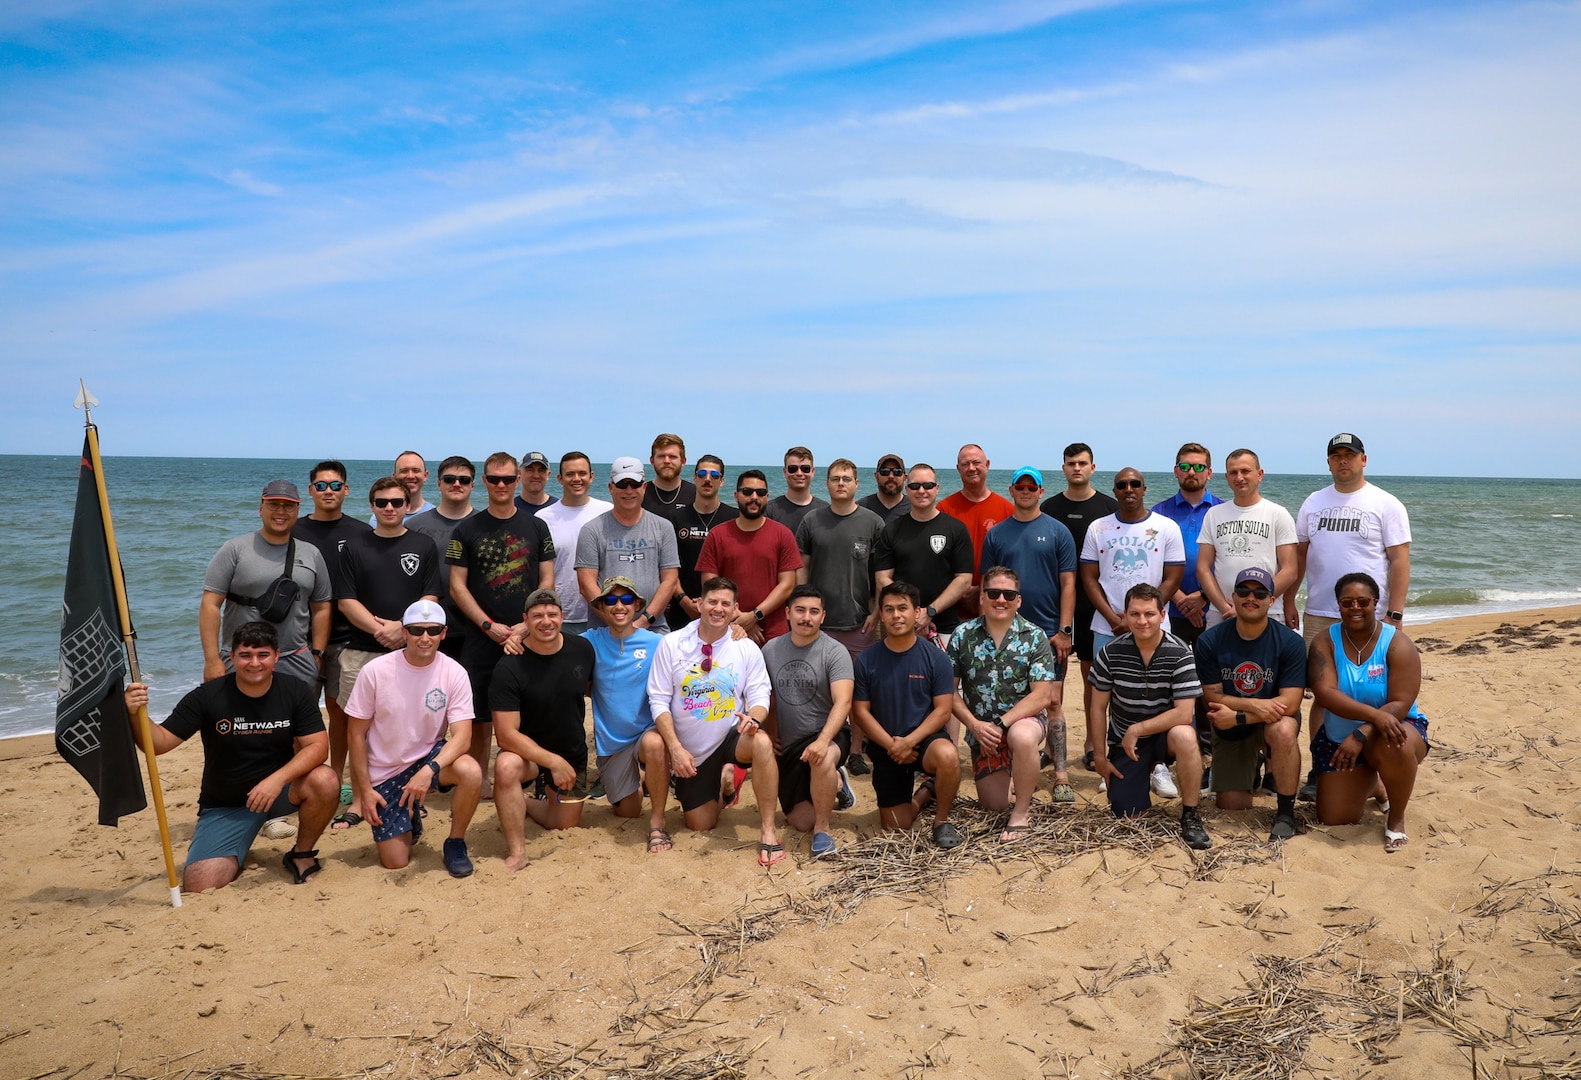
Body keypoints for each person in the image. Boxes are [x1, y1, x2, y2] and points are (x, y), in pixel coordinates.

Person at [121, 622, 339, 892]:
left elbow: (318, 747)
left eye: (263, 655)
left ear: (276, 656)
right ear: (232, 657)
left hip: (279, 792)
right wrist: (134, 714)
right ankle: (237, 842)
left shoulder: (294, 691)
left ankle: (301, 854)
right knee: (200, 884)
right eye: (245, 655)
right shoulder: (208, 696)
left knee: (326, 780)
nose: (254, 663)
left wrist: (276, 780)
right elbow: (159, 743)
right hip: (228, 804)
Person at [1296, 433, 1413, 799]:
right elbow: (1299, 557)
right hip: (1319, 613)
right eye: (1336, 456)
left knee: (1373, 694)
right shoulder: (1313, 503)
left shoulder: (1385, 503)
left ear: (1364, 460)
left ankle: (1372, 763)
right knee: (1321, 695)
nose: (1343, 461)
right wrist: (1288, 602)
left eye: (1350, 455)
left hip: (1370, 618)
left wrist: (1394, 613)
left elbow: (1399, 559)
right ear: (1329, 462)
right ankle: (1320, 768)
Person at [646, 577, 784, 866]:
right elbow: (658, 699)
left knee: (760, 742)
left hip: (732, 735)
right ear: (699, 603)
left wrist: (755, 719)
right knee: (700, 823)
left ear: (735, 609)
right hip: (694, 750)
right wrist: (675, 747)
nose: (718, 609)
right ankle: (726, 783)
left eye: (725, 604)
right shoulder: (672, 644)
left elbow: (760, 693)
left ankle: (768, 831)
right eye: (712, 602)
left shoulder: (745, 648)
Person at [332, 475, 443, 827]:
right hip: (360, 652)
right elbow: (346, 601)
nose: (390, 508)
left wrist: (403, 629)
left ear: (408, 506)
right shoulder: (354, 546)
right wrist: (382, 630)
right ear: (372, 506)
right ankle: (362, 794)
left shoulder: (424, 546)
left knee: (412, 727)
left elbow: (431, 596)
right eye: (382, 503)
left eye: (397, 502)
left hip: (413, 651)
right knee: (359, 730)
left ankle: (409, 793)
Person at [344, 600, 482, 877]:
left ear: (444, 633)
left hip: (428, 757)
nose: (425, 637)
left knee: (471, 770)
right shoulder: (375, 671)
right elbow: (355, 734)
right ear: (404, 633)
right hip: (385, 771)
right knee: (396, 862)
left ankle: (455, 842)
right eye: (417, 630)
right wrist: (364, 792)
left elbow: (463, 737)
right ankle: (411, 814)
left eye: (433, 631)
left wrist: (429, 770)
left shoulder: (454, 672)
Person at [446, 452, 556, 787]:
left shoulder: (536, 526)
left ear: (518, 480)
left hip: (527, 635)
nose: (501, 485)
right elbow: (456, 586)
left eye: (508, 479)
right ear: (484, 481)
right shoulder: (466, 529)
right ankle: (478, 782)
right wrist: (488, 626)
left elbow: (547, 580)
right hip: (481, 636)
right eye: (494, 479)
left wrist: (526, 626)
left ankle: (528, 777)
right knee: (478, 718)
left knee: (529, 711)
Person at [1081, 467, 1186, 799]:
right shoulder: (1098, 527)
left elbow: (1173, 576)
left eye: (1135, 484)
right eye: (1122, 485)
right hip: (1106, 627)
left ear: (1144, 488)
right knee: (1106, 698)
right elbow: (1089, 577)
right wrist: (1115, 618)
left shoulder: (1166, 527)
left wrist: (1146, 618)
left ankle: (1159, 766)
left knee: (1158, 697)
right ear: (1114, 490)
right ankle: (1111, 758)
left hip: (1153, 629)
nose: (1129, 489)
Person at [1307, 572, 1430, 852]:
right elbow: (1325, 694)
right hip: (1342, 740)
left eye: (1363, 601)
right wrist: (1374, 717)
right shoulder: (1324, 642)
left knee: (1393, 743)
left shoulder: (1397, 643)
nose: (1355, 608)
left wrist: (1364, 731)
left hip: (1398, 729)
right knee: (1334, 818)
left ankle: (1396, 819)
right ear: (1337, 605)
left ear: (1376, 602)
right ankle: (1375, 785)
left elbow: (1401, 701)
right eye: (1347, 602)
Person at [1087, 584, 1211, 850]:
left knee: (1186, 734)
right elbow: (1097, 708)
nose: (1142, 621)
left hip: (1165, 736)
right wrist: (1099, 756)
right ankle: (1140, 783)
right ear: (1125, 615)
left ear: (1162, 615)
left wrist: (1138, 729)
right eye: (1134, 614)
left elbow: (1184, 712)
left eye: (1149, 614)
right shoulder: (1110, 653)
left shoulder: (1179, 652)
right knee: (1126, 814)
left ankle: (1190, 814)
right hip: (1125, 743)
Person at [979, 467, 1078, 801]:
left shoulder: (1058, 531)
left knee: (1052, 701)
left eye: (1031, 486)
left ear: (1040, 490)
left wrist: (1065, 630)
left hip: (1049, 633)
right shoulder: (997, 534)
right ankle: (1015, 763)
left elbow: (1068, 583)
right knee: (1009, 700)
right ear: (1011, 490)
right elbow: (988, 585)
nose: (1025, 491)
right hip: (1005, 632)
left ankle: (1061, 774)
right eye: (1019, 486)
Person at [1193, 568, 1306, 840]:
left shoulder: (1290, 641)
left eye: (1259, 593)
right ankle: (1254, 768)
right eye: (1243, 591)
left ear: (1271, 599)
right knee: (1232, 805)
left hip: (1266, 719)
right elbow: (1212, 696)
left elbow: (1290, 703)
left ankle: (1286, 812)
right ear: (1233, 597)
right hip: (1231, 724)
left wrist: (1241, 716)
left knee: (1282, 730)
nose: (1250, 598)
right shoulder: (1210, 640)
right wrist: (1256, 707)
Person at [947, 568, 1058, 842]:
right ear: (981, 597)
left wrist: (1001, 724)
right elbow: (947, 691)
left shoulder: (1035, 636)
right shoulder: (962, 636)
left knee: (1021, 737)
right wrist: (974, 725)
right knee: (994, 805)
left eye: (1009, 594)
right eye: (993, 593)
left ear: (1018, 600)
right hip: (983, 733)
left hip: (1023, 723)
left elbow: (1043, 695)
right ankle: (1012, 773)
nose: (1001, 599)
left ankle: (1021, 814)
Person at [852, 582, 963, 849]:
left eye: (903, 608)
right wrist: (893, 745)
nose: (896, 615)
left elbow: (943, 711)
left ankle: (941, 820)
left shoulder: (936, 658)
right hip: (886, 746)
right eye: (888, 609)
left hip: (924, 740)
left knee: (948, 756)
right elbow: (860, 712)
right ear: (881, 614)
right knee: (895, 826)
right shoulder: (867, 660)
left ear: (917, 612)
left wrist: (909, 741)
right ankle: (926, 793)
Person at [491, 590, 596, 870]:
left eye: (552, 614)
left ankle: (522, 803)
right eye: (537, 616)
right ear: (525, 620)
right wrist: (551, 761)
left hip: (570, 749)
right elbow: (505, 735)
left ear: (562, 617)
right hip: (529, 756)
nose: (546, 621)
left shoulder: (583, 649)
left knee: (562, 824)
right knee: (505, 766)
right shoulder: (509, 665)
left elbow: (592, 689)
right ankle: (518, 852)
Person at [292, 461, 371, 822]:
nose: (328, 491)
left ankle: (337, 778)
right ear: (310, 491)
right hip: (296, 639)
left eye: (335, 485)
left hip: (346, 640)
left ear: (346, 490)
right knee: (297, 717)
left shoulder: (359, 531)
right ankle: (301, 780)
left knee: (341, 714)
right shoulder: (292, 529)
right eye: (321, 486)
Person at [202, 479, 332, 688]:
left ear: (297, 510)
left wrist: (316, 655)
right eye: (273, 504)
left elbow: (322, 608)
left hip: (295, 658)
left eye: (288, 505)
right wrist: (212, 660)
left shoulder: (312, 554)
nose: (281, 511)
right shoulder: (234, 549)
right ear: (260, 508)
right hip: (242, 658)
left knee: (296, 720)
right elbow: (210, 604)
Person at [1040, 442, 1119, 771]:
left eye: (1082, 463)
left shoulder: (1108, 507)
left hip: (1093, 605)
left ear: (1093, 467)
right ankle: (1049, 746)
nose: (1077, 468)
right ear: (1063, 468)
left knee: (1092, 679)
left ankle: (1091, 743)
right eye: (1071, 463)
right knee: (1049, 680)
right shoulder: (1050, 507)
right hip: (1052, 604)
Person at [762, 585, 856, 858]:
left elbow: (844, 702)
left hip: (828, 733)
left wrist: (823, 741)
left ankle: (823, 833)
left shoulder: (835, 651)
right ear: (787, 613)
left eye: (814, 612)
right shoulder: (771, 650)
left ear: (823, 616)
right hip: (790, 745)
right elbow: (766, 699)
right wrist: (769, 735)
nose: (807, 617)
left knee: (822, 757)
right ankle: (837, 782)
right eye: (800, 610)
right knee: (801, 821)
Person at [581, 576, 669, 847]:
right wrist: (519, 636)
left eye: (626, 599)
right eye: (610, 600)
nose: (619, 605)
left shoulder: (657, 643)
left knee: (655, 744)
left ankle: (658, 821)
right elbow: (552, 643)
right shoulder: (590, 641)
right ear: (601, 607)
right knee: (628, 812)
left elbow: (695, 642)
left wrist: (734, 630)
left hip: (645, 733)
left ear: (638, 605)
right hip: (612, 744)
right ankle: (642, 777)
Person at [695, 469, 802, 644]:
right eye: (747, 492)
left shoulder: (783, 534)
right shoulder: (717, 535)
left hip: (774, 635)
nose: (754, 497)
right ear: (736, 495)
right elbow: (710, 585)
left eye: (760, 493)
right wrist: (739, 619)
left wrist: (754, 616)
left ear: (767, 497)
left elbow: (787, 585)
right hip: (727, 630)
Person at [576, 457, 681, 632]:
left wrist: (643, 622)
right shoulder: (591, 530)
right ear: (610, 488)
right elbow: (586, 585)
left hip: (653, 629)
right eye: (622, 484)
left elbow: (670, 581)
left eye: (635, 484)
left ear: (644, 487)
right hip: (604, 631)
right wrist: (617, 625)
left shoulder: (664, 527)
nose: (629, 490)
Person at [1198, 449, 1299, 630]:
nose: (1239, 477)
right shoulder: (1214, 514)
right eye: (1233, 473)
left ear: (1260, 475)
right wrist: (1224, 606)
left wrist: (1255, 601)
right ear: (1227, 477)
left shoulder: (1278, 514)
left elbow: (1290, 570)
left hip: (1268, 611)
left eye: (1245, 471)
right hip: (1221, 612)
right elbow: (1203, 568)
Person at [873, 464, 974, 642]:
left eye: (928, 485)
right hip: (902, 624)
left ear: (937, 488)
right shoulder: (892, 530)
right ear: (907, 489)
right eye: (915, 486)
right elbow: (882, 579)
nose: (921, 491)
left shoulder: (955, 529)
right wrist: (911, 613)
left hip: (944, 627)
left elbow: (964, 579)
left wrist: (930, 611)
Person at [404, 455, 479, 659]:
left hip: (474, 628)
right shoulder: (413, 526)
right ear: (438, 483)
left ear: (472, 485)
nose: (456, 484)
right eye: (449, 479)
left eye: (463, 480)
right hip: (425, 628)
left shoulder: (484, 525)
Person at [1150, 443, 1223, 645]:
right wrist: (1181, 600)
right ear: (1176, 471)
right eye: (1185, 467)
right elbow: (1154, 562)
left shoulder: (1224, 512)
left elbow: (1230, 561)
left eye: (1199, 467)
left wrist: (1204, 597)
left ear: (1209, 473)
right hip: (1169, 609)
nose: (1192, 472)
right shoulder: (1158, 513)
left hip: (1214, 610)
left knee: (1211, 674)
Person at [535, 452, 613, 636]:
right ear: (560, 478)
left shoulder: (608, 511)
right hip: (559, 615)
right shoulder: (543, 518)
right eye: (570, 474)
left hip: (602, 613)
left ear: (591, 477)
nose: (576, 479)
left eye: (582, 473)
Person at [938, 443, 1014, 619]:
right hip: (951, 608)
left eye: (976, 462)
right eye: (965, 464)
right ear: (958, 469)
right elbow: (937, 559)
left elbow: (1011, 559)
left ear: (987, 464)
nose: (971, 468)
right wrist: (961, 589)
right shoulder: (944, 508)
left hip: (995, 607)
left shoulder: (1007, 510)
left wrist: (983, 591)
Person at [665, 455, 738, 630]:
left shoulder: (734, 518)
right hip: (681, 606)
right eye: (703, 473)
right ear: (694, 478)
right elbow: (667, 566)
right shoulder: (675, 517)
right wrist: (683, 600)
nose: (708, 479)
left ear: (721, 481)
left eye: (714, 476)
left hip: (721, 610)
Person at [765, 446, 829, 535]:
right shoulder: (769, 511)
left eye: (805, 469)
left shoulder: (826, 510)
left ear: (813, 471)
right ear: (785, 472)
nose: (799, 473)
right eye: (793, 469)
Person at [643, 433, 696, 517]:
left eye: (672, 456)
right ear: (652, 461)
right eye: (661, 456)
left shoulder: (696, 494)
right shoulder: (640, 493)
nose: (666, 461)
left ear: (683, 461)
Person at [858, 453, 910, 523]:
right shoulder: (861, 507)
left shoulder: (914, 508)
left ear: (905, 477)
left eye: (897, 472)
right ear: (876, 476)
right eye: (885, 471)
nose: (891, 476)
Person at [390, 451, 432, 519]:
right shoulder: (379, 519)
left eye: (416, 471)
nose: (410, 476)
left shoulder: (436, 518)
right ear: (394, 477)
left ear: (425, 476)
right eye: (404, 471)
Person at [514, 451, 559, 515]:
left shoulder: (558, 508)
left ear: (548, 475)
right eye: (530, 470)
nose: (536, 476)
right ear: (519, 473)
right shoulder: (510, 508)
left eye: (541, 470)